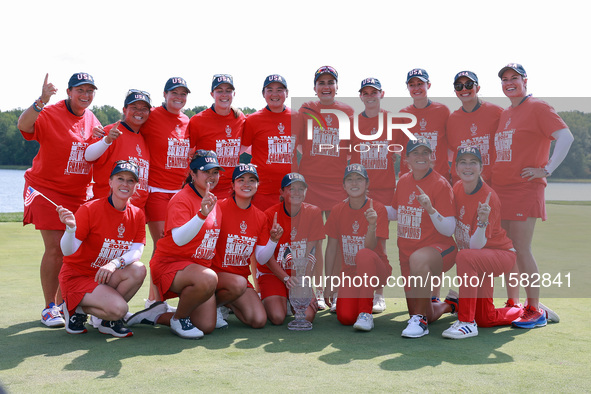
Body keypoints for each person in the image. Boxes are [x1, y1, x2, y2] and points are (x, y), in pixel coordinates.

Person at [492, 63, 573, 329]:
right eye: (504, 79)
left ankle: (534, 310)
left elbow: (566, 136)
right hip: (502, 190)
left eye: (514, 78)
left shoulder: (538, 107)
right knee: (508, 250)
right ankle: (514, 304)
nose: (509, 83)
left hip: (525, 188)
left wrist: (546, 168)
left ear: (525, 80)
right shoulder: (507, 113)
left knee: (521, 248)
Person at [17, 72, 102, 328]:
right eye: (80, 90)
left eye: (90, 91)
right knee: (55, 247)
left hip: (78, 194)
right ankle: (49, 307)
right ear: (69, 92)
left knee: (72, 251)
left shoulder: (91, 118)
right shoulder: (51, 112)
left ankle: (63, 303)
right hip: (45, 190)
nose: (85, 96)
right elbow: (23, 125)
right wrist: (40, 100)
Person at [125, 150, 223, 339]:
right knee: (209, 279)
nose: (212, 177)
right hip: (171, 265)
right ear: (193, 174)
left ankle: (155, 316)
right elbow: (179, 239)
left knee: (206, 325)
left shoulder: (213, 200)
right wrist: (201, 215)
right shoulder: (182, 198)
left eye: (215, 172)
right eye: (206, 172)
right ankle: (179, 319)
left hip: (197, 268)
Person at [57, 160, 147, 337]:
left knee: (138, 269)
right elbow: (68, 251)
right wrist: (70, 229)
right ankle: (75, 309)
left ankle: (107, 321)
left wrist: (115, 263)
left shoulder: (137, 214)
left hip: (105, 274)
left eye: (131, 180)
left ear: (136, 186)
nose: (125, 184)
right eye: (120, 178)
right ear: (110, 182)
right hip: (78, 276)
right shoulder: (90, 209)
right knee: (120, 309)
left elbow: (137, 251)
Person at [391, 137, 457, 338]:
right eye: (415, 153)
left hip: (439, 251)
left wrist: (430, 209)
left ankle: (419, 323)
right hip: (408, 254)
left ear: (432, 157)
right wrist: (365, 205)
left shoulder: (440, 184)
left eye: (425, 152)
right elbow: (395, 212)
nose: (421, 156)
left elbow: (449, 228)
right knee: (422, 310)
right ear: (407, 159)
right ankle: (450, 304)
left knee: (418, 258)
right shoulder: (403, 181)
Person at [350, 77, 406, 314]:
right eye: (366, 92)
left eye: (374, 92)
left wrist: (401, 187)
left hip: (383, 191)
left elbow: (404, 157)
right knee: (355, 240)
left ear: (382, 94)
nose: (370, 96)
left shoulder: (393, 122)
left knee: (379, 245)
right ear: (361, 96)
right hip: (358, 191)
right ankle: (356, 289)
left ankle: (379, 294)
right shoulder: (353, 123)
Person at [211, 164, 283, 328]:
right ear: (232, 185)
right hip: (214, 275)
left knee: (258, 320)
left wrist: (273, 240)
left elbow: (261, 258)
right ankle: (211, 304)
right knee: (238, 283)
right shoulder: (219, 207)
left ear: (257, 185)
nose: (246, 184)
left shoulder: (260, 216)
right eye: (241, 179)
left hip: (239, 281)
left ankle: (225, 303)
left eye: (251, 180)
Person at [140, 77, 191, 308]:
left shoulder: (186, 120)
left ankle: (159, 298)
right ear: (165, 94)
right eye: (174, 93)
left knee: (174, 245)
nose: (178, 98)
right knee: (162, 245)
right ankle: (154, 301)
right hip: (157, 190)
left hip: (179, 193)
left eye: (183, 94)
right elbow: (127, 125)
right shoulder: (152, 116)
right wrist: (104, 132)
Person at [324, 164, 391, 332]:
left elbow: (373, 248)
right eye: (350, 179)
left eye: (359, 179)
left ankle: (365, 314)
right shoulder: (337, 210)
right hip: (350, 273)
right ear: (344, 185)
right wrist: (329, 283)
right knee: (345, 317)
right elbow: (331, 249)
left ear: (367, 184)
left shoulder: (378, 209)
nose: (354, 183)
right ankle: (357, 307)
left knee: (364, 254)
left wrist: (372, 225)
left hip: (377, 271)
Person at [258, 173, 324, 325]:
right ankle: (274, 298)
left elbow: (310, 253)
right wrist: (286, 278)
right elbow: (267, 258)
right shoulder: (269, 215)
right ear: (281, 192)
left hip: (299, 274)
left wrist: (306, 285)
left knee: (307, 316)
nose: (297, 193)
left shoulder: (313, 212)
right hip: (273, 273)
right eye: (291, 188)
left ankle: (289, 298)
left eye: (301, 189)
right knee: (277, 317)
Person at [295, 66, 355, 216]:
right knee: (311, 236)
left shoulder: (348, 112)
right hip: (309, 182)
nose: (326, 87)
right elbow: (299, 143)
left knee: (336, 234)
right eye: (321, 83)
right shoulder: (306, 109)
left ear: (337, 87)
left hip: (337, 184)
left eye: (330, 82)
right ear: (315, 88)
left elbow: (350, 149)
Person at [85, 90, 151, 208]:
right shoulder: (111, 132)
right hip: (108, 208)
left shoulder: (145, 138)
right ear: (124, 110)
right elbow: (88, 156)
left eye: (144, 108)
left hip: (136, 213)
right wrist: (107, 139)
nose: (139, 112)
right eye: (134, 107)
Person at [241, 74, 294, 211]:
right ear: (263, 93)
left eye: (279, 90)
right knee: (262, 231)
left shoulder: (297, 118)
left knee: (290, 231)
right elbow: (240, 150)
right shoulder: (253, 120)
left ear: (286, 93)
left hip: (291, 190)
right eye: (270, 90)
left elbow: (306, 152)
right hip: (262, 191)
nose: (274, 94)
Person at [188, 74, 246, 199]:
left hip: (232, 189)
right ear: (212, 94)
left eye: (228, 91)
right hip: (206, 188)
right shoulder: (198, 120)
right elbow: (189, 153)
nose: (224, 94)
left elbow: (246, 145)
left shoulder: (240, 118)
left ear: (234, 94)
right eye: (219, 91)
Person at [446, 71, 503, 185]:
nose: (464, 89)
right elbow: (450, 154)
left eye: (468, 84)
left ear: (478, 88)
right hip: (461, 186)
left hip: (491, 184)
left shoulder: (497, 112)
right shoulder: (452, 119)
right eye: (458, 86)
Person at [399, 68, 451, 182]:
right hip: (411, 179)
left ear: (429, 85)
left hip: (439, 179)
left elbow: (451, 145)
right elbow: (398, 147)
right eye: (412, 85)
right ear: (407, 87)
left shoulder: (442, 111)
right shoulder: (403, 114)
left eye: (420, 84)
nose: (416, 88)